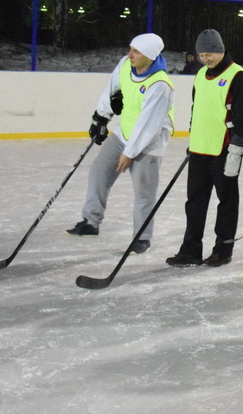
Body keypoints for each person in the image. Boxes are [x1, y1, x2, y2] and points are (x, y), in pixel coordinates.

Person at [67, 32, 175, 255]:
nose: (130, 54)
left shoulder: (160, 85)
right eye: (131, 49)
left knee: (144, 193)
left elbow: (149, 125)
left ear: (150, 56)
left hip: (148, 144)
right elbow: (112, 88)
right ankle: (90, 221)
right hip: (123, 134)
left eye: (136, 51)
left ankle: (141, 237)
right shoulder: (126, 64)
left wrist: (129, 153)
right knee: (98, 171)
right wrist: (101, 118)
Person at [166, 29, 243, 268]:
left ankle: (223, 250)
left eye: (210, 54)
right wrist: (193, 141)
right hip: (199, 150)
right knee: (194, 202)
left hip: (224, 150)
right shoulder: (201, 75)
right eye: (202, 54)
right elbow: (198, 110)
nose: (206, 59)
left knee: (226, 201)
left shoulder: (238, 76)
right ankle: (191, 250)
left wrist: (236, 148)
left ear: (221, 50)